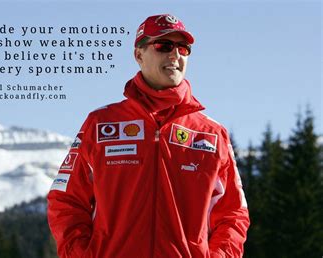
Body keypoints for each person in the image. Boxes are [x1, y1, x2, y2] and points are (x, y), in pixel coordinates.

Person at [47, 13, 250, 258]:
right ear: (139, 55)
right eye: (164, 46)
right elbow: (66, 200)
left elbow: (233, 214)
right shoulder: (101, 124)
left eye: (182, 48)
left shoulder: (211, 133)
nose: (175, 55)